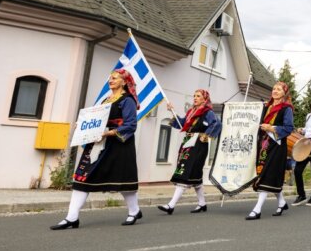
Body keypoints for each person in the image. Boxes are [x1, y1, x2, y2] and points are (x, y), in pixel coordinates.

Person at [52, 69, 142, 229]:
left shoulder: (127, 100)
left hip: (118, 145)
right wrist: (83, 127)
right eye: (110, 78)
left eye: (115, 78)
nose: (111, 80)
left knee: (121, 180)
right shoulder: (105, 100)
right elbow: (96, 121)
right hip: (98, 144)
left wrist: (109, 132)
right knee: (82, 177)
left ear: (124, 82)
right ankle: (72, 217)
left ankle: (134, 211)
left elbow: (131, 125)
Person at [158, 89, 220, 215]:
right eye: (194, 96)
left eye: (198, 96)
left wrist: (205, 135)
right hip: (188, 143)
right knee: (194, 175)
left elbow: (217, 124)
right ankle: (202, 203)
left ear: (205, 99)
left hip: (199, 145)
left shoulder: (208, 112)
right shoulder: (191, 112)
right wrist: (172, 111)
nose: (195, 98)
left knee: (185, 171)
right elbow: (183, 124)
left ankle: (171, 205)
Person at [245, 82, 295, 220]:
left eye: (279, 89)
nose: (275, 91)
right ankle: (282, 202)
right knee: (268, 174)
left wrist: (272, 128)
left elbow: (289, 128)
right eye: (274, 89)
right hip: (264, 144)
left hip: (277, 146)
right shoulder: (266, 106)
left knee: (266, 174)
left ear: (284, 93)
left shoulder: (287, 109)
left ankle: (257, 209)